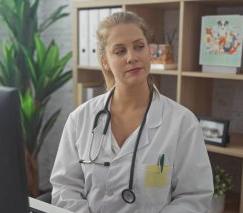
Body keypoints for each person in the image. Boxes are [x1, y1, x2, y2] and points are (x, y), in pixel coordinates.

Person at [50, 11, 213, 213]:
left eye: (139, 47)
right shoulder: (80, 119)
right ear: (105, 62)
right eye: (119, 51)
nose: (132, 57)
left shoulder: (182, 123)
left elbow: (194, 197)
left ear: (149, 51)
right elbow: (65, 188)